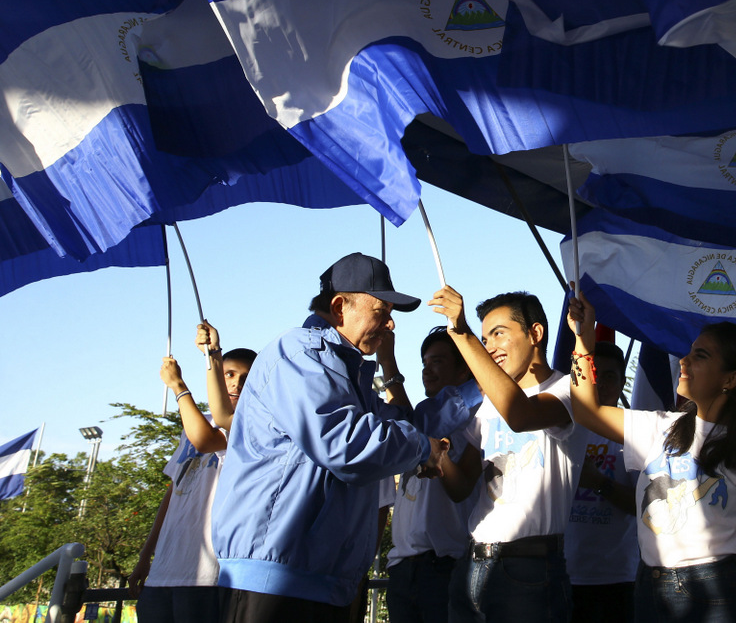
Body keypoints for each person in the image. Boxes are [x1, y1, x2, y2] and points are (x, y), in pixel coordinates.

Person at [211, 253, 481, 623]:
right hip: (274, 580)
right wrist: (423, 449)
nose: (390, 324)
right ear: (340, 307)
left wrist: (483, 385)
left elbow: (407, 423)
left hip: (324, 579)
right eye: (381, 311)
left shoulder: (347, 374)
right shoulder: (300, 354)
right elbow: (344, 442)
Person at [567, 292, 736, 623]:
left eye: (700, 356)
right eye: (689, 352)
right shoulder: (660, 426)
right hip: (649, 586)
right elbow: (586, 411)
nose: (683, 361)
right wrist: (583, 342)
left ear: (731, 379)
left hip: (717, 590)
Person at [428, 286, 588, 623]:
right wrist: (437, 456)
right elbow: (461, 487)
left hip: (529, 568)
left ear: (535, 333)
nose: (490, 347)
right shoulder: (488, 404)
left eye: (498, 333)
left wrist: (461, 333)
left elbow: (521, 416)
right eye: (484, 339)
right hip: (471, 563)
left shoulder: (568, 390)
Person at [127, 337, 256, 623]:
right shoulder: (193, 423)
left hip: (208, 575)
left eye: (246, 378)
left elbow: (204, 440)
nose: (236, 384)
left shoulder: (250, 424)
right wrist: (145, 558)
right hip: (163, 572)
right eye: (229, 374)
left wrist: (178, 386)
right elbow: (173, 494)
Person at [386, 326, 480, 623]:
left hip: (444, 565)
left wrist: (388, 363)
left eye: (437, 362)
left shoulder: (476, 421)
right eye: (424, 363)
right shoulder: (423, 416)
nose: (427, 370)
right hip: (402, 566)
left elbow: (460, 488)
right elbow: (404, 424)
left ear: (464, 370)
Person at [564, 341, 639, 623]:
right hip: (560, 572)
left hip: (617, 577)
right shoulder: (559, 430)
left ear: (621, 384)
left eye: (609, 376)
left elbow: (645, 505)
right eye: (594, 375)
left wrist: (598, 482)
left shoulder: (636, 435)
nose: (601, 384)